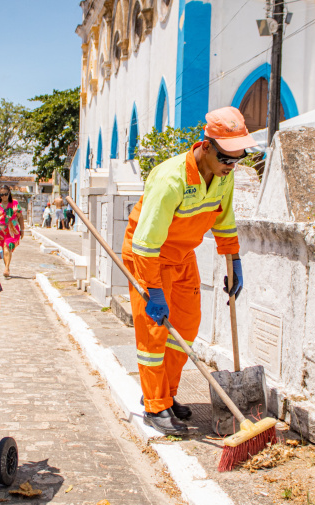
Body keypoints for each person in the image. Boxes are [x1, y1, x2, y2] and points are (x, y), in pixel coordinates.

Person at [121, 106, 254, 435]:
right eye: (226, 159)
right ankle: (155, 406)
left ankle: (167, 395)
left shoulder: (224, 176)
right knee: (154, 334)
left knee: (186, 328)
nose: (231, 167)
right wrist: (152, 290)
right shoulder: (171, 179)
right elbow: (146, 242)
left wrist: (233, 259)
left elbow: (224, 218)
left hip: (182, 256)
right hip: (148, 256)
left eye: (238, 160)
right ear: (206, 147)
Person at [0, 186, 23, 278]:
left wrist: (22, 229)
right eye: (2, 194)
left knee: (7, 246)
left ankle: (6, 268)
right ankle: (6, 267)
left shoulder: (15, 203)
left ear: (9, 193)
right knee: (5, 250)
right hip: (0, 230)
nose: (4, 196)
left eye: (6, 194)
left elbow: (20, 216)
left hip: (13, 229)